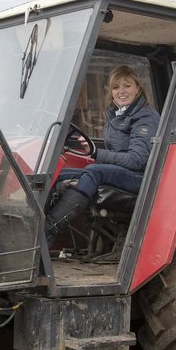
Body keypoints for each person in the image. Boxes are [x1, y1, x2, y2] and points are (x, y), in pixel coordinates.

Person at [44, 65, 159, 246]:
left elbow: (137, 159)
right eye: (116, 87)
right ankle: (36, 226)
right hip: (122, 171)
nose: (121, 91)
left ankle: (49, 228)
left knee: (94, 171)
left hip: (141, 176)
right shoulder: (116, 115)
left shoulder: (145, 117)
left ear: (138, 88)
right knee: (61, 173)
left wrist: (97, 154)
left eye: (127, 86)